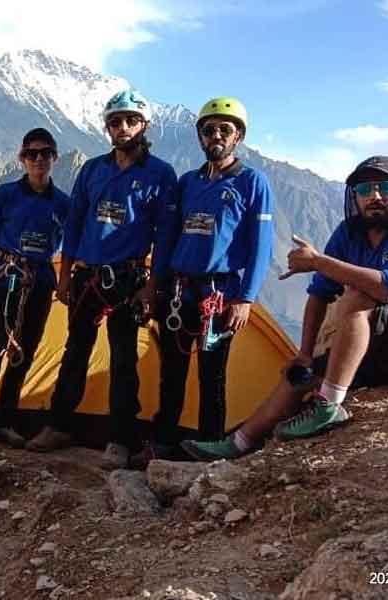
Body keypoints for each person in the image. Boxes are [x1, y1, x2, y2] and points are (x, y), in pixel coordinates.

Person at [183, 156, 388, 461]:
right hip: (387, 348)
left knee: (361, 297)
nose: (375, 196)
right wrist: (305, 353)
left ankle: (329, 406)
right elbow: (320, 293)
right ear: (354, 195)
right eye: (365, 189)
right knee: (303, 374)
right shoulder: (350, 233)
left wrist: (318, 261)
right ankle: (238, 442)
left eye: (385, 187)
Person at [25, 89, 178, 470]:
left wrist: (151, 286)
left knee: (124, 360)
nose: (122, 128)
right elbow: (74, 224)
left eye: (129, 121)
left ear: (143, 125)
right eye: (114, 122)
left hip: (128, 279)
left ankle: (120, 439)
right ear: (107, 128)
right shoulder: (93, 170)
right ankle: (59, 424)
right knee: (75, 352)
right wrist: (64, 276)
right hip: (86, 279)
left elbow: (166, 237)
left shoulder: (160, 175)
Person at [151, 97, 274, 458]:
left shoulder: (253, 183)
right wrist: (155, 285)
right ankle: (163, 443)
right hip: (178, 293)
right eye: (209, 130)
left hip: (219, 297)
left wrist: (246, 298)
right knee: (170, 373)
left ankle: (209, 446)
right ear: (200, 136)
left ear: (238, 136)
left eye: (225, 129)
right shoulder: (187, 183)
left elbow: (261, 246)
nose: (216, 135)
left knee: (212, 377)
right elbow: (168, 236)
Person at [0, 128, 69, 448]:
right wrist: (2, 264)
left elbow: (69, 241)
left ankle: (5, 419)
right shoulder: (6, 194)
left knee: (23, 349)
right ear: (22, 159)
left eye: (45, 153)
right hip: (6, 278)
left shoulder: (63, 203)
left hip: (39, 281)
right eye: (32, 154)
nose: (38, 160)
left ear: (54, 158)